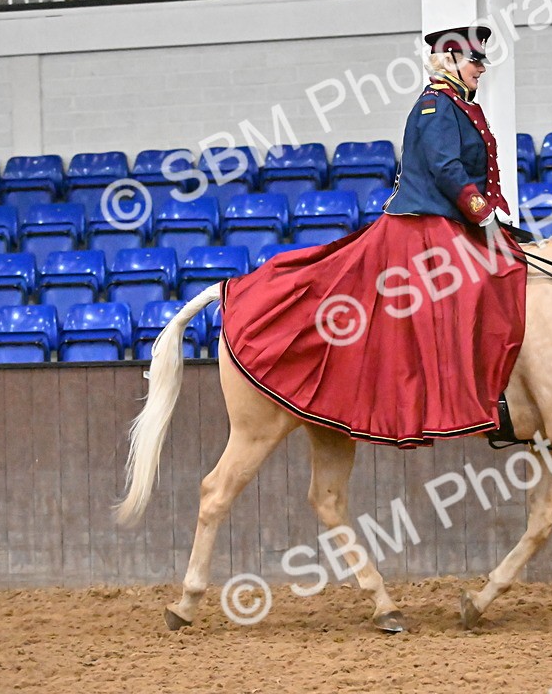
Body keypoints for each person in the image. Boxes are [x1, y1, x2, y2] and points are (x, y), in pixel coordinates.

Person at [218, 25, 527, 447]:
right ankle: (476, 400)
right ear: (451, 61)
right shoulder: (435, 107)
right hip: (424, 221)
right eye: (474, 61)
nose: (481, 70)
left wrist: (495, 219)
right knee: (479, 280)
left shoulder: (461, 105)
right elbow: (446, 169)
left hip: (448, 219)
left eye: (481, 62)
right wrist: (482, 214)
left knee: (511, 265)